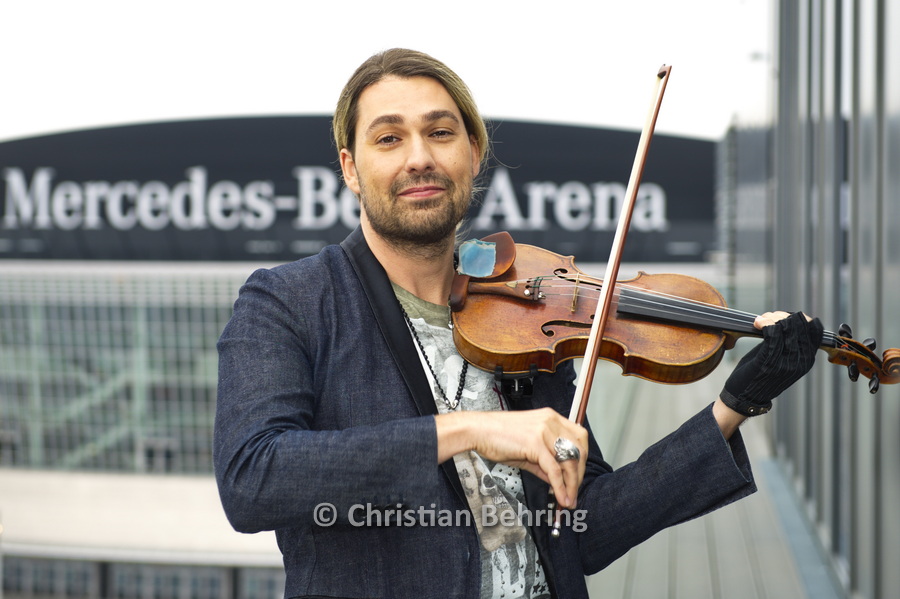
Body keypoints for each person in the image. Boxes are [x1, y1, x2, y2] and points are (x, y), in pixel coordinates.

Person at [214, 48, 823, 599]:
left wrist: (732, 406)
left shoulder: (528, 312)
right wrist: (468, 431)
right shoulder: (289, 302)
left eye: (441, 132)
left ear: (473, 153)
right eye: (389, 139)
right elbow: (253, 478)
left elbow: (581, 531)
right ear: (350, 167)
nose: (420, 157)